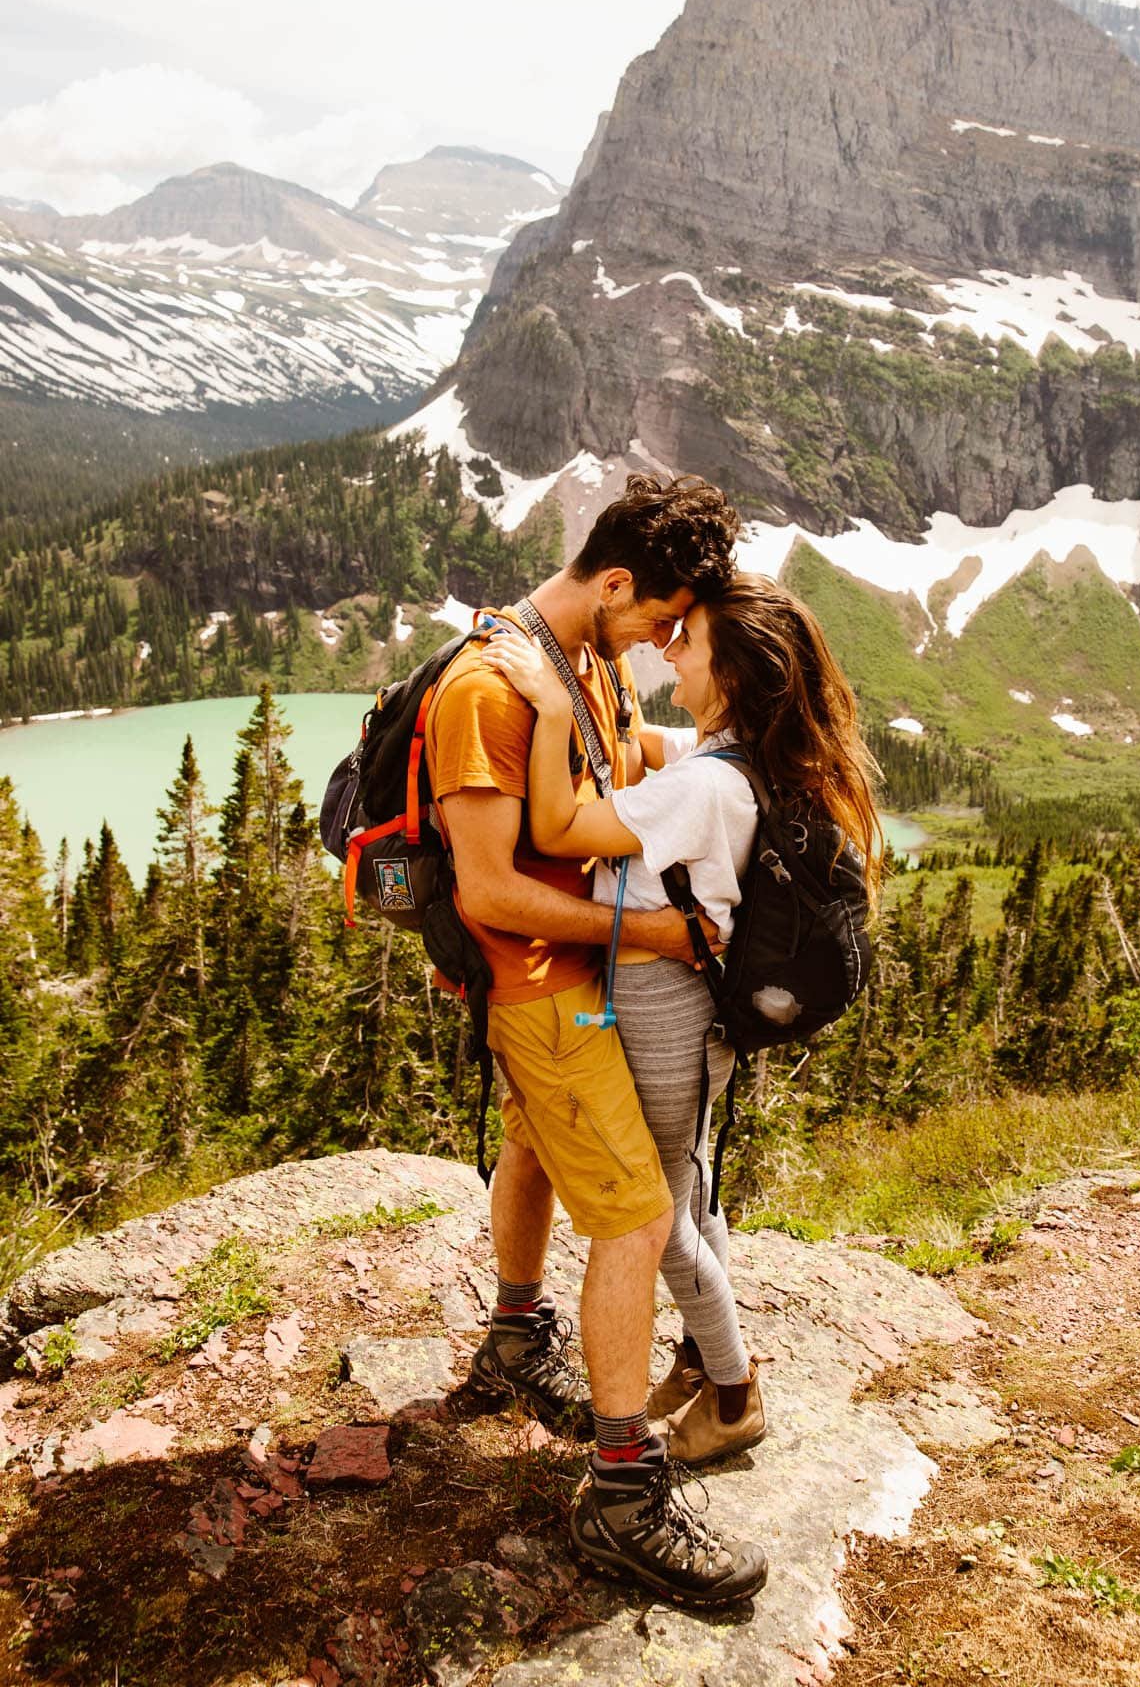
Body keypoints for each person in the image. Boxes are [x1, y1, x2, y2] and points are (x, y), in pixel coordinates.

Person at [425, 474, 769, 1610]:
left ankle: (517, 1337)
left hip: (585, 983)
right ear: (614, 582)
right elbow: (487, 888)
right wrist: (659, 929)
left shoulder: (589, 664)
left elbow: (610, 777)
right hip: (547, 987)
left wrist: (728, 757)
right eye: (660, 616)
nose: (667, 638)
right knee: (630, 1217)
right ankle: (623, 1496)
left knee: (532, 1149)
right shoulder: (489, 687)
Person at [486, 570, 882, 1471]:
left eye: (687, 645)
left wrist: (551, 710)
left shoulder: (706, 787)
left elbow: (554, 828)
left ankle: (735, 1393)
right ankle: (705, 1354)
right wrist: (618, 713)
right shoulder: (755, 760)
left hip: (660, 1005)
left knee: (653, 1211)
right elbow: (656, 750)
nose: (670, 653)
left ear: (733, 678)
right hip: (699, 1013)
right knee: (687, 1187)